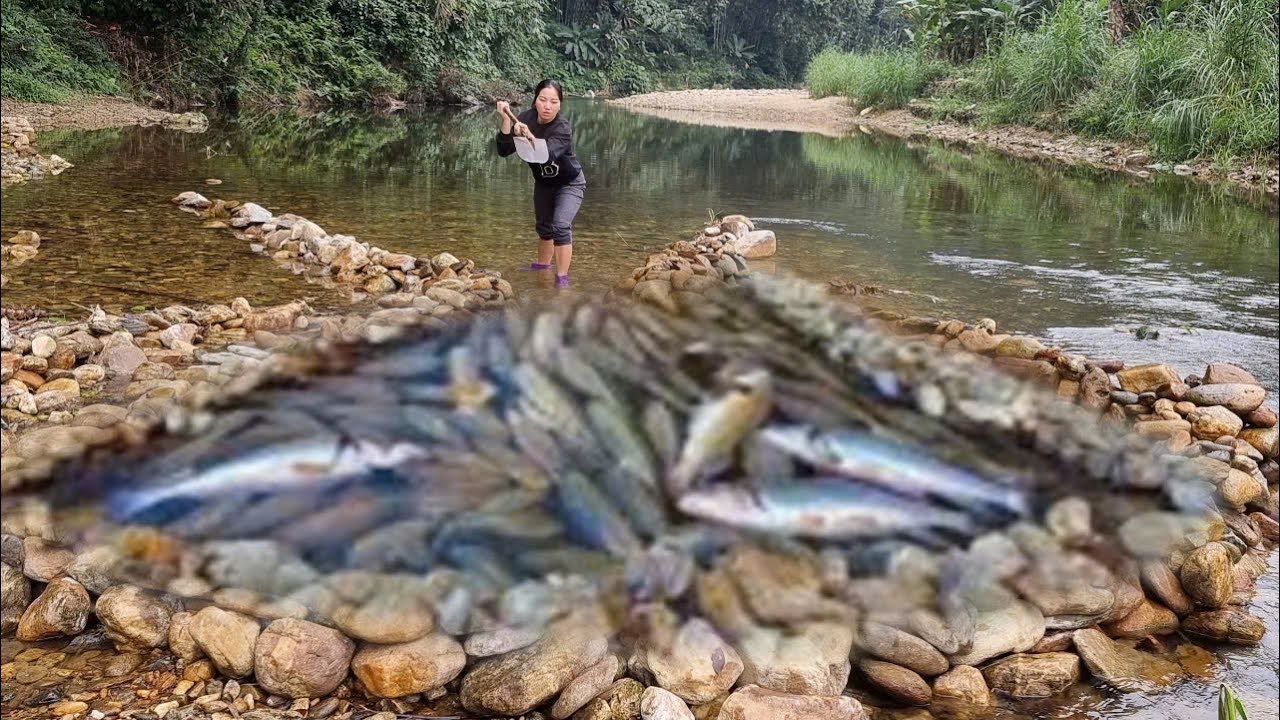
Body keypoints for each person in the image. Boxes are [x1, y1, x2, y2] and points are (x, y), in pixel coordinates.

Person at [495, 80, 585, 289]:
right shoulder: (525, 118)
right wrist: (507, 120)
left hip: (569, 184)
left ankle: (561, 278)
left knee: (560, 226)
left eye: (554, 102)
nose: (547, 106)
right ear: (535, 100)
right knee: (544, 228)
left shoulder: (562, 128)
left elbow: (545, 154)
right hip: (544, 183)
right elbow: (503, 150)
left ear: (560, 105)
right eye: (543, 100)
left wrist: (527, 135)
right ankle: (543, 268)